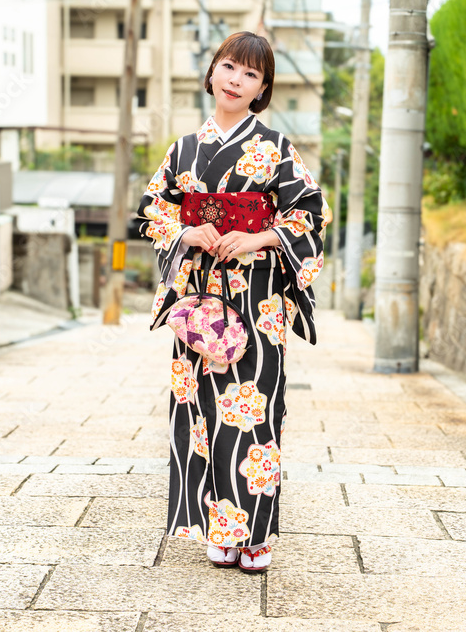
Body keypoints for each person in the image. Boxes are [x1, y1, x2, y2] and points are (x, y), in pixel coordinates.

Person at [135, 31, 331, 573]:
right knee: (201, 410)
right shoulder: (183, 149)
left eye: (250, 74)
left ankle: (256, 533)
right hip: (199, 297)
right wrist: (187, 231)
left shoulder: (277, 148)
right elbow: (153, 210)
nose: (235, 80)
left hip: (258, 297)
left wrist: (257, 237)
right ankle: (220, 528)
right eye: (228, 66)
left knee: (254, 410)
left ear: (262, 89)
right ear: (212, 72)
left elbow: (310, 213)